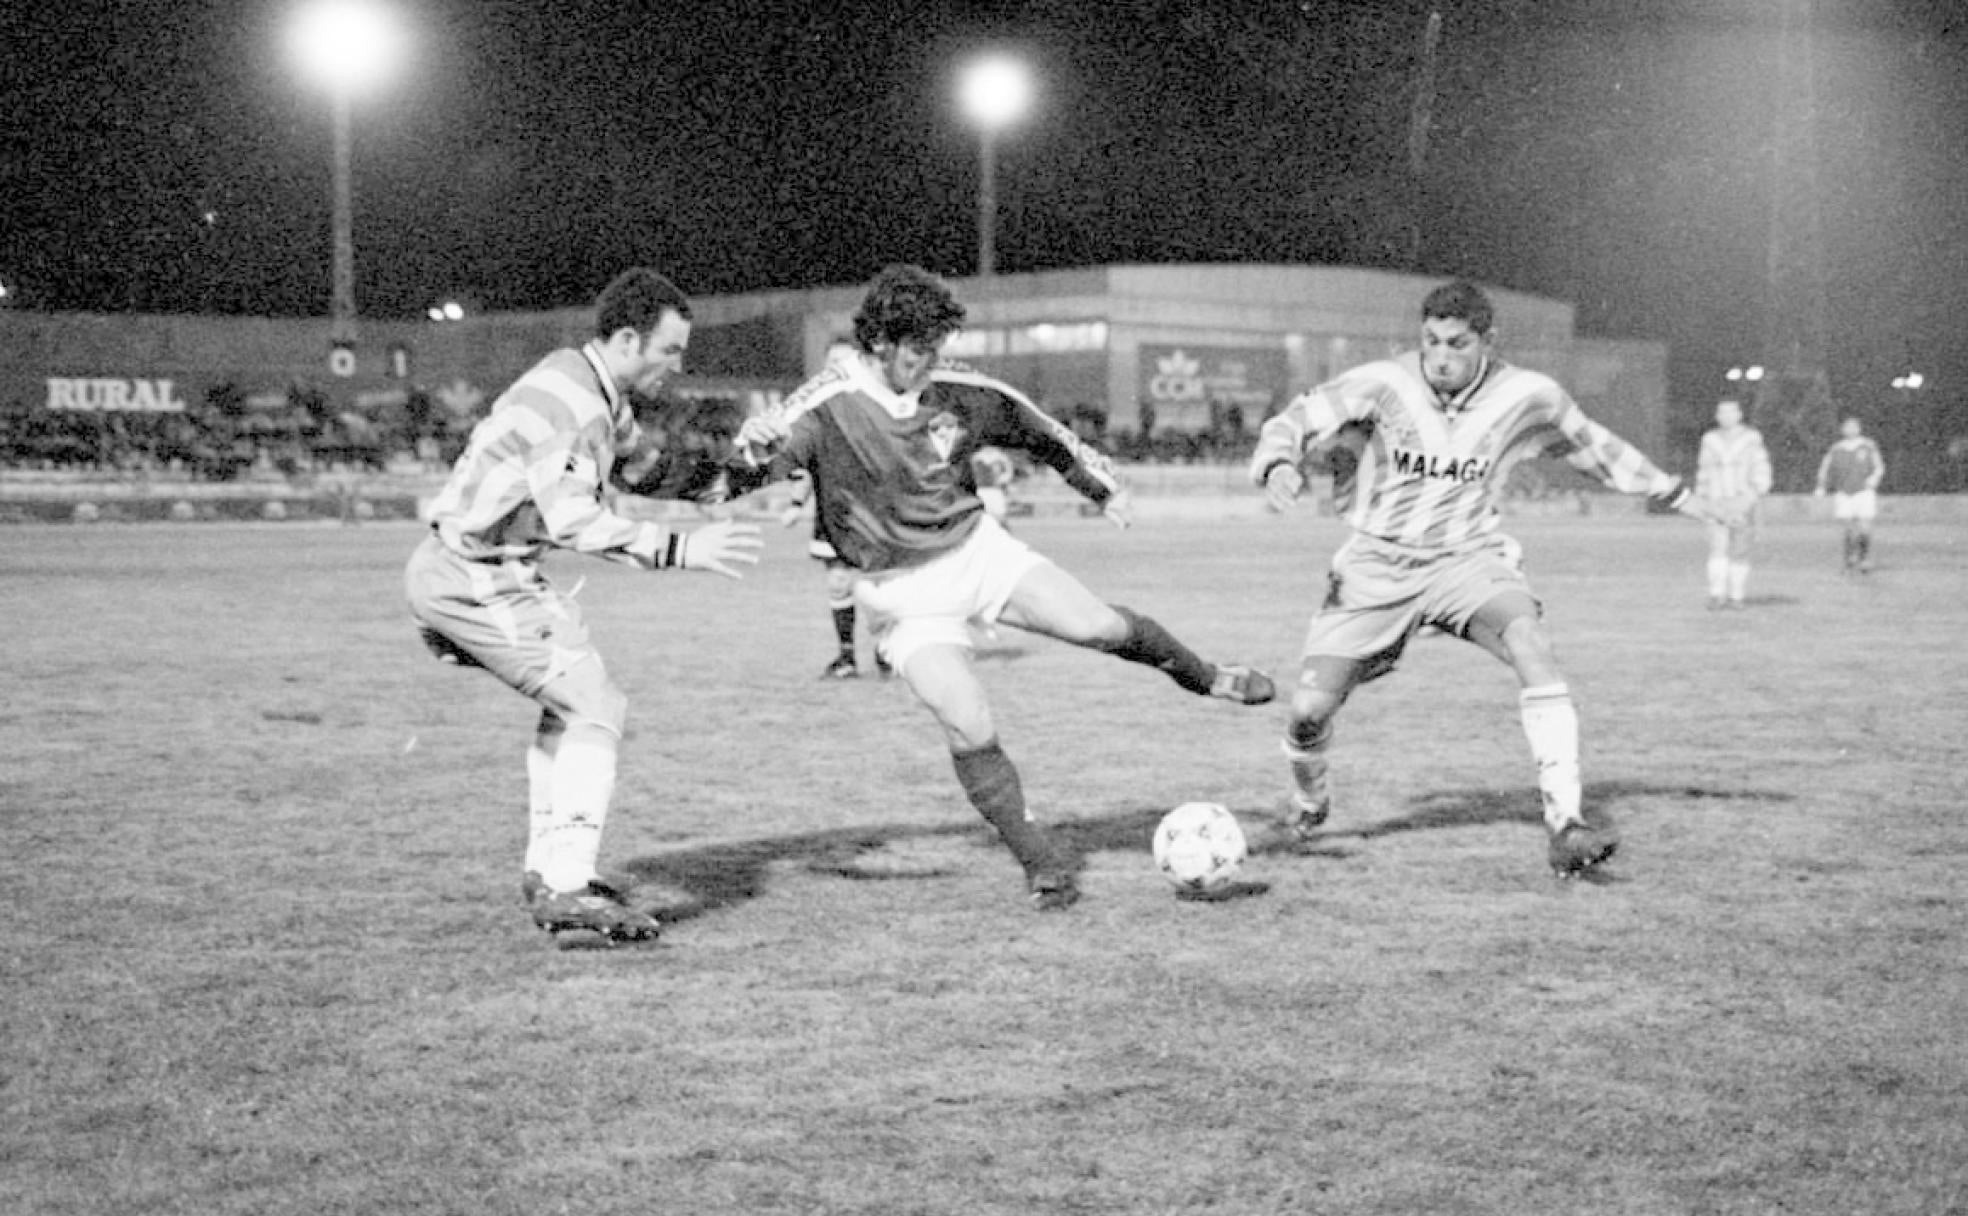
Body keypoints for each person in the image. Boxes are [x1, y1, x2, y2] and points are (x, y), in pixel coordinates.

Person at [736, 263, 1276, 910]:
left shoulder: (958, 389)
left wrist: (1097, 488)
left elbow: (1035, 429)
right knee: (969, 724)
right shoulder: (823, 405)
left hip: (978, 553)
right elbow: (744, 470)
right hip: (901, 597)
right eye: (918, 348)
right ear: (880, 341)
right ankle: (1040, 861)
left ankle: (1209, 676)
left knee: (1099, 626)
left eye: (938, 346)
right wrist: (744, 454)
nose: (930, 360)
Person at [1250, 280, 1726, 877]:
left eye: (1456, 343)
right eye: (1430, 342)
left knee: (1531, 644)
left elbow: (1594, 446)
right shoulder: (1383, 382)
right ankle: (1309, 801)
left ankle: (1567, 824)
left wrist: (1675, 492)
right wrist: (1276, 464)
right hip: (1376, 565)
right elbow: (1296, 418)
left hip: (1467, 560)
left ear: (1486, 341)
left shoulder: (1528, 395)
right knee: (1308, 711)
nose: (1441, 357)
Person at [405, 268, 763, 948]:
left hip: (489, 571)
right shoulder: (575, 405)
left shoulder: (590, 383)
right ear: (629, 338)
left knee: (574, 705)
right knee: (597, 706)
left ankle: (552, 872)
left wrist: (739, 476)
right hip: (472, 575)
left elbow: (644, 471)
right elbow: (577, 523)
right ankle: (565, 884)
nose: (678, 365)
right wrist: (683, 550)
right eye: (671, 349)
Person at [1695, 398, 1775, 609]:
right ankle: (1716, 594)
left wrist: (1755, 493)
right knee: (1717, 547)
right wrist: (1702, 498)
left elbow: (1761, 466)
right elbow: (1703, 469)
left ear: (1739, 415)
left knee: (1740, 549)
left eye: (1730, 412)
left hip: (1742, 500)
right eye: (1721, 412)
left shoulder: (1751, 438)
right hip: (1716, 501)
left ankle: (1736, 596)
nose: (1725, 417)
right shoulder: (1710, 439)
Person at [1814, 415, 1885, 573]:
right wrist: (1821, 486)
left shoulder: (1868, 446)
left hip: (1864, 492)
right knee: (1848, 528)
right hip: (1844, 493)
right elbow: (1825, 469)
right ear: (1843, 430)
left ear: (1859, 429)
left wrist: (1873, 480)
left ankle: (1864, 559)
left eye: (1854, 426)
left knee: (1865, 527)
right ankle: (1849, 559)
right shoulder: (1836, 448)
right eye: (1847, 426)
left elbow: (1879, 467)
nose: (1851, 429)